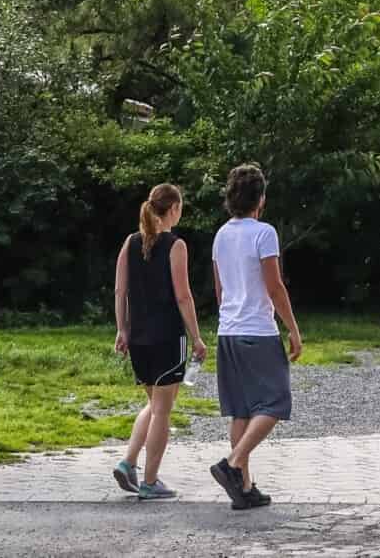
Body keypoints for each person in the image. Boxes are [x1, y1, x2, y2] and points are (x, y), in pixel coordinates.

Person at [209, 163, 302, 511]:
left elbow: (220, 290)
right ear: (260, 199)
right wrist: (292, 328)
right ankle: (233, 464)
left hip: (227, 330)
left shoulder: (221, 235)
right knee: (276, 401)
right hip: (258, 330)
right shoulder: (264, 233)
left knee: (242, 409)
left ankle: (244, 488)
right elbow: (274, 286)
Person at [112, 183, 206, 501]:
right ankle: (150, 482)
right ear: (174, 209)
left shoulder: (130, 242)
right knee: (163, 411)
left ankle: (128, 462)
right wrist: (197, 337)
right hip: (167, 337)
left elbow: (119, 291)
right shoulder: (175, 245)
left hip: (137, 337)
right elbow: (183, 295)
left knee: (154, 405)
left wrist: (121, 330)